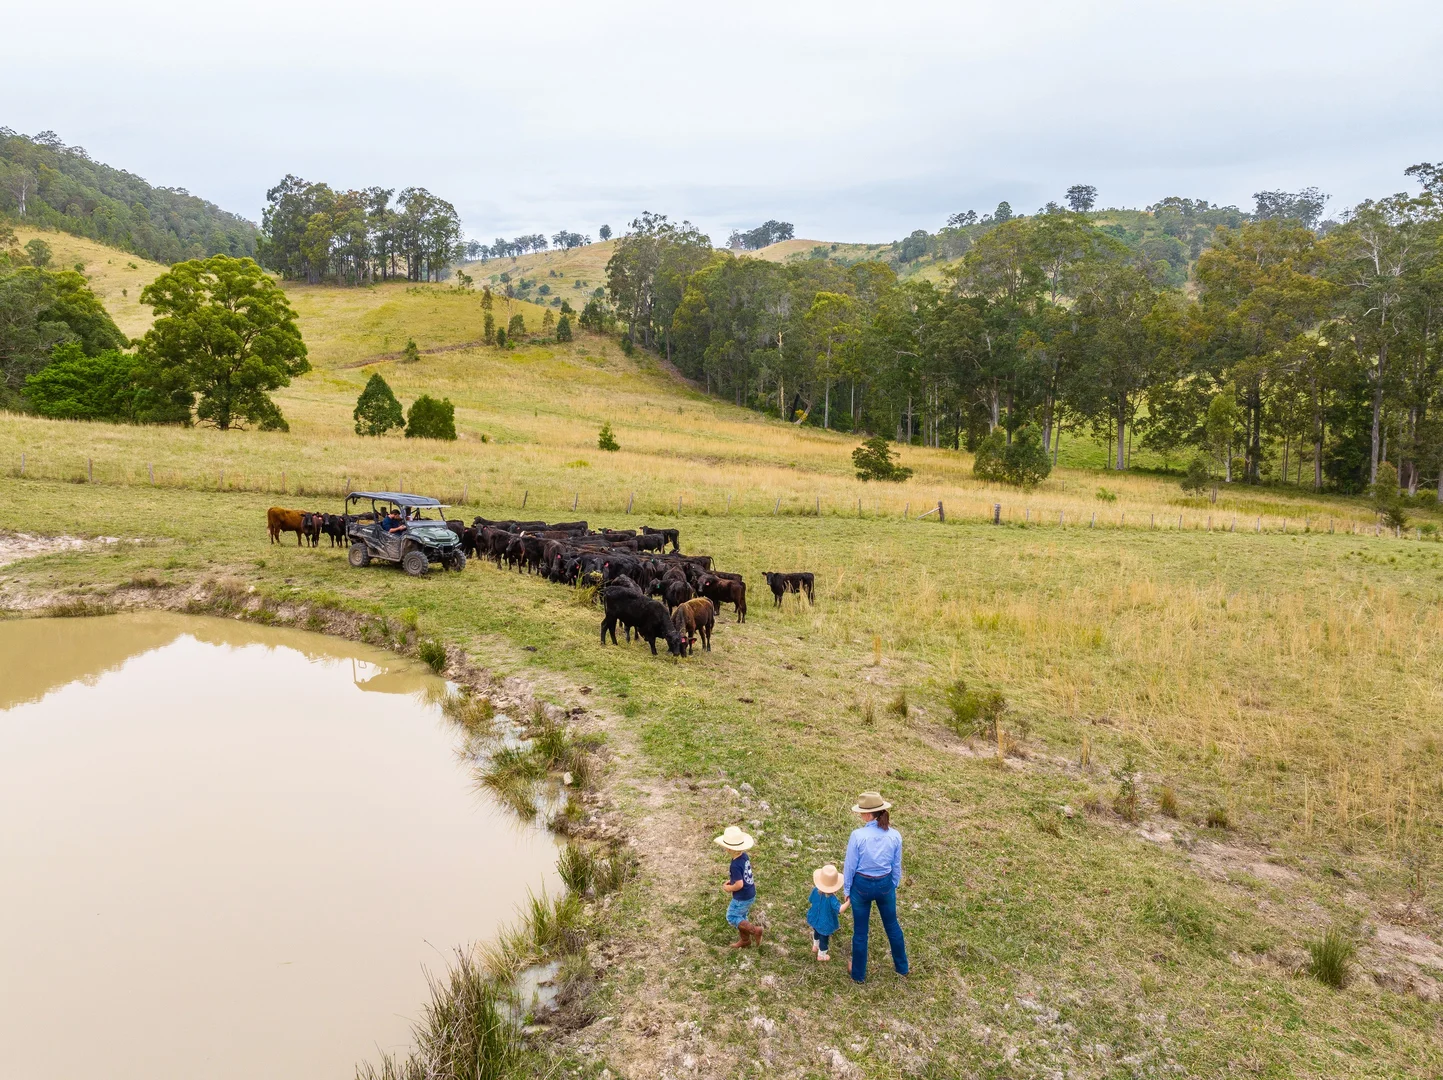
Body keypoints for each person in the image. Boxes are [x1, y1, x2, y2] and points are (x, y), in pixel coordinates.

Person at [841, 791, 908, 982]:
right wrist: (893, 883)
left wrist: (847, 890)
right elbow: (896, 864)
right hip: (885, 883)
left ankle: (858, 974)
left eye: (862, 811)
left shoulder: (858, 835)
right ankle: (902, 967)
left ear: (869, 814)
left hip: (861, 885)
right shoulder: (895, 835)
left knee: (860, 932)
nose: (860, 814)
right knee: (893, 926)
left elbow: (850, 865)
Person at [715, 825, 764, 948]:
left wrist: (729, 888)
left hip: (741, 897)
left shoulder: (735, 865)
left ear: (728, 848)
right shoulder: (744, 856)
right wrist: (732, 880)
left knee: (732, 916)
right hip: (750, 893)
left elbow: (739, 884)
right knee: (741, 917)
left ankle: (755, 931)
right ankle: (745, 940)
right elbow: (742, 876)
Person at [807, 862, 849, 962]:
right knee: (824, 939)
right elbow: (840, 910)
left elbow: (810, 900)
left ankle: (815, 946)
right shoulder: (831, 899)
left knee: (816, 932)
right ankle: (821, 955)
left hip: (814, 918)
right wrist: (849, 902)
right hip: (825, 923)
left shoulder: (815, 890)